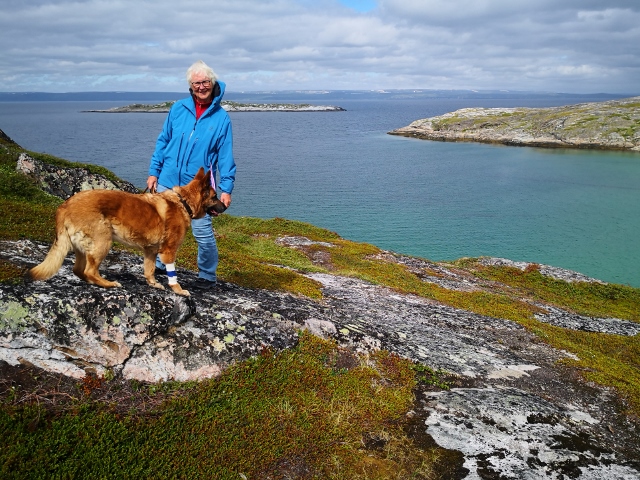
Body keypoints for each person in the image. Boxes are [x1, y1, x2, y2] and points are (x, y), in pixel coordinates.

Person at [147, 60, 236, 290]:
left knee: (202, 232)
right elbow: (163, 140)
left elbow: (225, 156)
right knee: (161, 224)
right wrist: (154, 171)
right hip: (168, 178)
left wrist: (226, 189)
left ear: (212, 82)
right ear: (190, 85)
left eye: (205, 81)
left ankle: (207, 275)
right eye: (196, 83)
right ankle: (159, 263)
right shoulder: (178, 108)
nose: (201, 87)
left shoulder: (221, 118)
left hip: (197, 186)